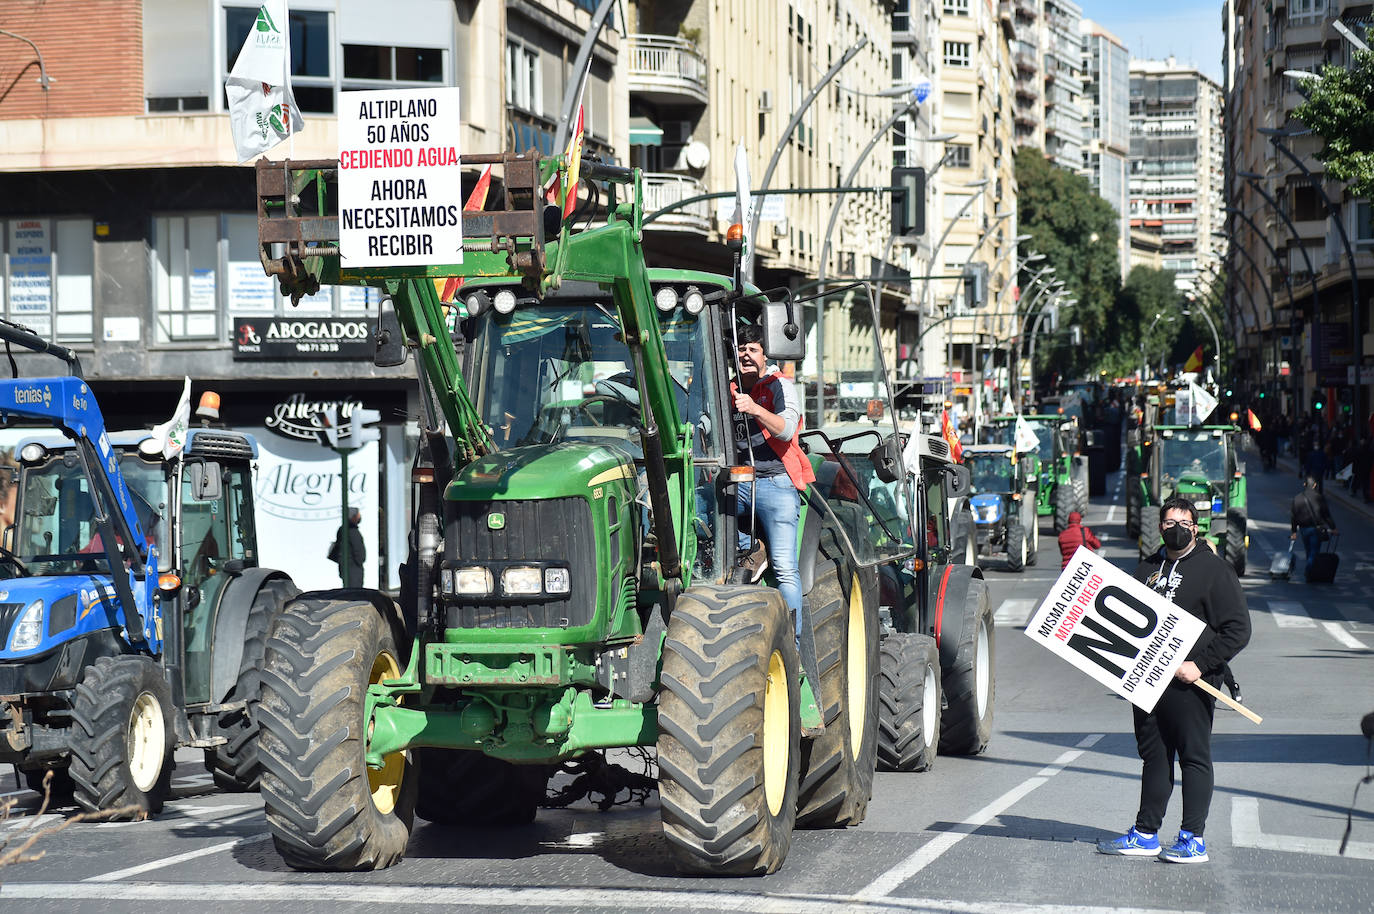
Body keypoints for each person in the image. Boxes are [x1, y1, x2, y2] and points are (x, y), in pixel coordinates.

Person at [1097, 494, 1251, 864]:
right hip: (1148, 683)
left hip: (1190, 683)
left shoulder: (1214, 571)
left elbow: (1238, 629)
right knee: (1154, 757)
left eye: (1184, 523)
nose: (1177, 529)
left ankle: (1192, 838)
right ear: (1160, 526)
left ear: (1195, 528)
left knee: (1194, 758)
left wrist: (1199, 665)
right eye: (1169, 523)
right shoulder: (1148, 567)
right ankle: (1146, 833)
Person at [730, 324, 813, 640]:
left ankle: (792, 641)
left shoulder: (780, 385)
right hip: (738, 482)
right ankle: (751, 548)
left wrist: (754, 408)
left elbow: (786, 429)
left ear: (765, 354)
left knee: (785, 569)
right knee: (700, 512)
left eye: (752, 349)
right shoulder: (729, 386)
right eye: (740, 349)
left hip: (776, 482)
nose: (745, 355)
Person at [1290, 476, 1337, 582]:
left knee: (1308, 550)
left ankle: (1310, 569)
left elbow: (1294, 517)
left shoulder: (1297, 498)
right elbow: (1326, 515)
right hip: (1316, 529)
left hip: (1303, 529)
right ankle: (1309, 571)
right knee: (1314, 552)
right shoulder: (1319, 497)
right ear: (1315, 485)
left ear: (1304, 485)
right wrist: (1333, 527)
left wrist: (1293, 531)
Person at [330, 507, 366, 587]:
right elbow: (358, 550)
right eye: (358, 515)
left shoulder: (343, 529)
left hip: (348, 568)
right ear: (353, 517)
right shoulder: (352, 531)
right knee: (354, 593)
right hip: (353, 569)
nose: (359, 517)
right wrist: (360, 561)